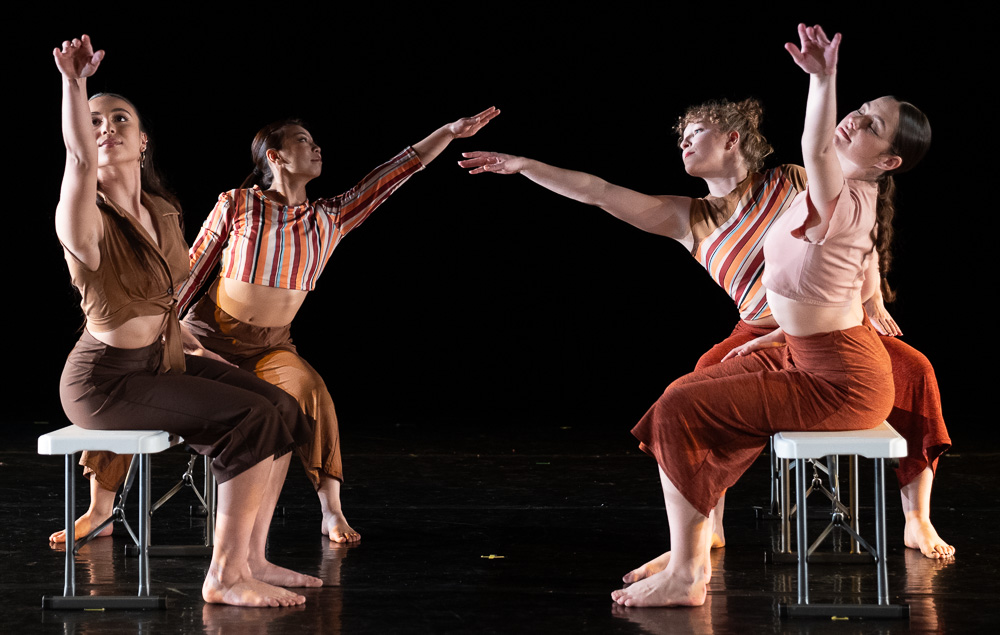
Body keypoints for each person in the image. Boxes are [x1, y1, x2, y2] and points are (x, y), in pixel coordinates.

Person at [458, 52, 951, 562]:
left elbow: (858, 229)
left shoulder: (791, 179)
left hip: (824, 335)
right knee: (697, 385)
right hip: (759, 330)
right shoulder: (687, 218)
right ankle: (706, 527)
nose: (684, 142)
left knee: (915, 369)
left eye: (696, 132)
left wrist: (871, 297)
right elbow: (598, 192)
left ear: (732, 139)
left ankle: (917, 518)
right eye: (683, 137)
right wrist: (525, 166)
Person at [51, 96, 499, 544]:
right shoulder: (239, 204)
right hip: (209, 332)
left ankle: (330, 510)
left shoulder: (329, 217)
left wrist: (447, 133)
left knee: (309, 394)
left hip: (270, 346)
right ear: (275, 156)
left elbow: (393, 174)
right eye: (303, 141)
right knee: (140, 385)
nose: (316, 148)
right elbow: (188, 271)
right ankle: (99, 510)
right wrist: (172, 334)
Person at [53, 34, 322, 607]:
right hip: (105, 382)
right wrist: (74, 83)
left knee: (281, 407)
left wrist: (200, 351)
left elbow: (166, 303)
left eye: (120, 118)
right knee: (249, 418)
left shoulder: (163, 211)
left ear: (143, 140)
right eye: (94, 120)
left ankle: (252, 559)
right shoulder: (83, 216)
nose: (106, 128)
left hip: (163, 360)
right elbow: (78, 159)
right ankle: (224, 577)